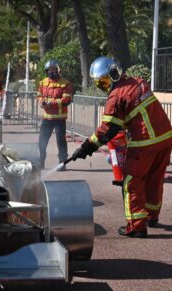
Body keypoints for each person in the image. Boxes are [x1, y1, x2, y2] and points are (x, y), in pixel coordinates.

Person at [71, 56, 172, 238]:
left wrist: (87, 147)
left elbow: (107, 130)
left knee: (131, 182)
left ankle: (136, 227)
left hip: (145, 143)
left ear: (113, 74)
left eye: (104, 82)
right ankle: (151, 216)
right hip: (165, 138)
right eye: (100, 84)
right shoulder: (138, 82)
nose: (104, 87)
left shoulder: (116, 96)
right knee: (154, 179)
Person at [37, 59, 73, 171]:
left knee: (61, 141)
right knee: (41, 141)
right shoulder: (43, 82)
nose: (51, 72)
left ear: (58, 70)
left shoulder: (65, 83)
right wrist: (41, 102)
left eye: (54, 70)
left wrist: (51, 103)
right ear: (46, 71)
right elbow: (39, 95)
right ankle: (40, 162)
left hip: (59, 119)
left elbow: (66, 100)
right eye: (49, 70)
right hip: (46, 118)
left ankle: (62, 163)